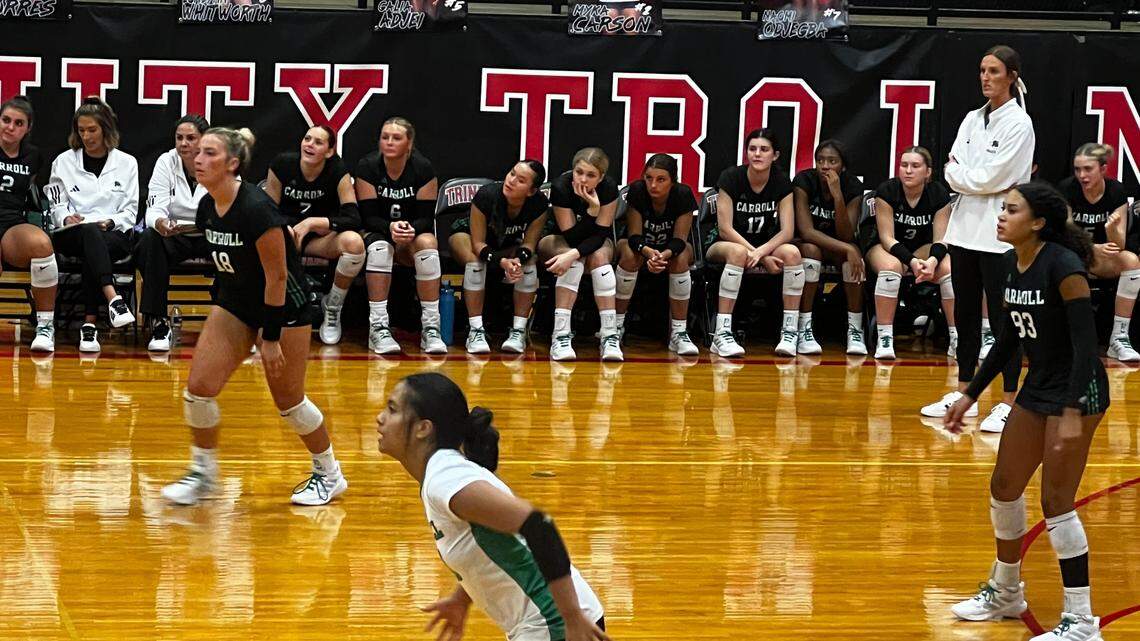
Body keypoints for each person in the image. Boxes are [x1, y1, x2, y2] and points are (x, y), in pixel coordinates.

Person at [944, 182, 1107, 641]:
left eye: (1010, 209)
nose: (1001, 216)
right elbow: (1008, 340)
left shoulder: (1065, 266)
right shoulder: (1015, 265)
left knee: (1056, 502)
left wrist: (1074, 408)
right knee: (1004, 485)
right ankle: (1007, 591)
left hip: (1079, 390)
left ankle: (1080, 621)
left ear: (1037, 222)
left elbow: (1085, 347)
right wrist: (970, 395)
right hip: (1039, 389)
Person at [161, 127, 347, 507]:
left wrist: (271, 336)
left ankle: (329, 474)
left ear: (232, 164)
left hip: (284, 309)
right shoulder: (207, 206)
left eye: (210, 153)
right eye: (198, 152)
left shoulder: (257, 210)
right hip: (237, 303)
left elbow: (278, 277)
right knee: (198, 390)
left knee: (289, 403)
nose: (198, 158)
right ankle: (203, 473)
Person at [376, 372, 609, 641]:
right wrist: (461, 598)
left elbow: (538, 526)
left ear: (423, 428)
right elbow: (493, 542)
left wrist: (572, 618)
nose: (380, 417)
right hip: (550, 621)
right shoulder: (444, 472)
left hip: (555, 623)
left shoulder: (445, 478)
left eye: (392, 409)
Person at [921, 45, 1035, 434]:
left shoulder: (1020, 123)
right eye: (982, 70)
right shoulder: (971, 118)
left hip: (1002, 234)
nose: (986, 77)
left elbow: (993, 179)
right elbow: (951, 167)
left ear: (1011, 76)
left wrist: (969, 178)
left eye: (994, 71)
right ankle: (963, 392)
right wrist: (970, 177)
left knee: (1005, 320)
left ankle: (1007, 401)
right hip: (964, 227)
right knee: (965, 313)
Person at [45, 96, 137, 352]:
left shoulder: (127, 163)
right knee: (87, 234)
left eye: (92, 130)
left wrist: (110, 221)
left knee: (93, 244)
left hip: (112, 234)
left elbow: (130, 212)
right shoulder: (62, 162)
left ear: (106, 129)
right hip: (72, 234)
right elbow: (57, 205)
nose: (86, 136)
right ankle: (113, 299)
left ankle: (89, 326)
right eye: (81, 130)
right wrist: (65, 218)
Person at [705, 128, 804, 358]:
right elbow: (725, 228)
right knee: (739, 253)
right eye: (752, 149)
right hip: (724, 244)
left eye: (764, 149)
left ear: (775, 155)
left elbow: (788, 230)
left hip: (762, 246)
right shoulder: (731, 177)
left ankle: (789, 332)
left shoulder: (781, 182)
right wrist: (759, 254)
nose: (757, 154)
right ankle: (721, 334)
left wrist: (762, 252)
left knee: (792, 253)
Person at [264, 125, 365, 346]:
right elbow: (267, 210)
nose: (309, 144)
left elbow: (353, 217)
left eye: (318, 142)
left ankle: (332, 307)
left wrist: (312, 223)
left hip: (320, 239)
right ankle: (266, 316)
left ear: (329, 151)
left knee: (354, 243)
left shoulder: (338, 170)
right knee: (263, 239)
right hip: (287, 236)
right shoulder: (282, 165)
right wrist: (284, 227)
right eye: (307, 138)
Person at [354, 117, 444, 355]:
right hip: (378, 231)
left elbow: (427, 217)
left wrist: (411, 229)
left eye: (396, 138)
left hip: (410, 234)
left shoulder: (423, 168)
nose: (389, 142)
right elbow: (367, 216)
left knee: (428, 244)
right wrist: (390, 229)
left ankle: (431, 328)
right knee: (381, 248)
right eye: (385, 137)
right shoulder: (367, 166)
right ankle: (378, 326)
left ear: (409, 143)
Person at [449, 160, 549, 354]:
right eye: (511, 173)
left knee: (529, 263)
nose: (511, 181)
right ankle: (476, 330)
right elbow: (478, 245)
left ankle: (518, 330)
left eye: (520, 180)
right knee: (474, 262)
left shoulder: (539, 205)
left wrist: (517, 261)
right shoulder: (487, 196)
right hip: (468, 237)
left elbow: (529, 244)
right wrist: (501, 262)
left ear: (531, 191)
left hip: (506, 245)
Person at [868, 146, 956, 360]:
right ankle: (885, 337)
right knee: (891, 268)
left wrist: (933, 261)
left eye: (915, 166)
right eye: (904, 165)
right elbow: (887, 237)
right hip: (886, 248)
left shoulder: (938, 194)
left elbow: (941, 238)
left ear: (927, 172)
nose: (908, 170)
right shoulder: (887, 190)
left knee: (949, 269)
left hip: (924, 249)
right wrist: (912, 261)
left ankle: (956, 336)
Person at [135, 114, 212, 352]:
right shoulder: (166, 161)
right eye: (179, 138)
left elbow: (232, 208)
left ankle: (236, 323)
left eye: (191, 138)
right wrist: (159, 223)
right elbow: (154, 206)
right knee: (149, 239)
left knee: (239, 243)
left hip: (210, 234)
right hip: (175, 234)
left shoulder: (220, 160)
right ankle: (158, 322)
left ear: (204, 140)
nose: (183, 143)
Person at [537, 147, 623, 362]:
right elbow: (572, 236)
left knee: (600, 258)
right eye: (579, 172)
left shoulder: (609, 189)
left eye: (591, 175)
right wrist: (592, 212)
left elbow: (601, 234)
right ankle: (561, 335)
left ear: (601, 177)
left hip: (592, 242)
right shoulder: (561, 187)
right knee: (571, 260)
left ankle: (609, 334)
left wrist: (595, 209)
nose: (583, 179)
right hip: (557, 240)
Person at [1057, 142, 1139, 362]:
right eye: (1077, 169)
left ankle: (1118, 338)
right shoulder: (1067, 189)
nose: (1082, 175)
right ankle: (1067, 340)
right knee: (1063, 258)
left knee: (1131, 261)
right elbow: (1063, 236)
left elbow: (1119, 245)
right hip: (1071, 256)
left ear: (1103, 169)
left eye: (1088, 169)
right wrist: (1091, 248)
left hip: (1101, 258)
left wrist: (1112, 230)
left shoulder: (1116, 191)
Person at [613, 154, 699, 355]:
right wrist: (649, 253)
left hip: (670, 249)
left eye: (661, 179)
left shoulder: (683, 194)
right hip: (641, 248)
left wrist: (663, 255)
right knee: (628, 252)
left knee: (683, 254)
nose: (653, 184)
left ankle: (679, 333)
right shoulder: (637, 190)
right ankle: (615, 327)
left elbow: (680, 240)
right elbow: (634, 236)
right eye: (649, 178)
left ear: (672, 181)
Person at [792, 139, 867, 355]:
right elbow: (806, 231)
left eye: (832, 161)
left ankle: (855, 328)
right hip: (808, 245)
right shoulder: (803, 181)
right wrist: (848, 248)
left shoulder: (852, 185)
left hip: (836, 245)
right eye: (820, 160)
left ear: (842, 166)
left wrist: (837, 195)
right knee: (813, 251)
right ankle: (804, 325)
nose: (825, 166)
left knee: (853, 262)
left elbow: (846, 234)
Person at [0, 96, 58, 352]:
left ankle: (45, 326)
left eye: (18, 123)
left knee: (42, 244)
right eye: (5, 120)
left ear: (27, 128)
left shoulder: (33, 156)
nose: (10, 127)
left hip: (12, 223)